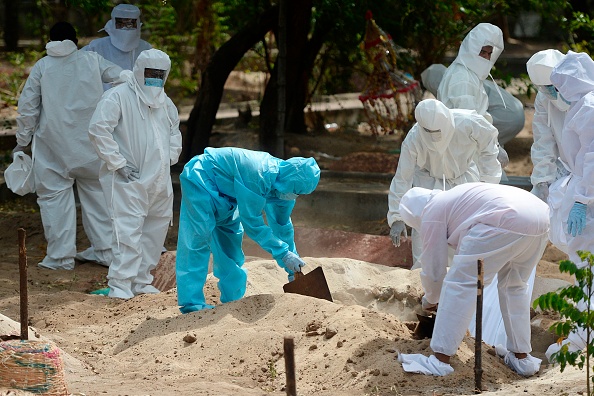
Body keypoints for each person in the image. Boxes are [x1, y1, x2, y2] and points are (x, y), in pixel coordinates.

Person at [396, 183, 549, 377]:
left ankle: (439, 360)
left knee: (460, 283)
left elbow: (434, 270)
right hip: (540, 218)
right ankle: (522, 358)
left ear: (414, 216)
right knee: (514, 287)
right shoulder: (454, 200)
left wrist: (431, 300)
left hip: (507, 218)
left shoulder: (431, 213)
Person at [13, 22, 122, 270]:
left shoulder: (42, 67)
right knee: (97, 199)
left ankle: (60, 259)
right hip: (91, 148)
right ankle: (106, 253)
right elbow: (123, 77)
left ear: (50, 40)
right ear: (75, 41)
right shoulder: (92, 61)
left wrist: (22, 143)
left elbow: (28, 109)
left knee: (53, 200)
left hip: (52, 150)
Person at [175, 147, 321, 314]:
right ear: (290, 181)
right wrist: (283, 253)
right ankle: (192, 303)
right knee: (197, 239)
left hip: (229, 196)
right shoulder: (259, 173)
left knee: (231, 245)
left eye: (300, 193)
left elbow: (282, 226)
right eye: (296, 191)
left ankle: (233, 301)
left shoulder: (286, 190)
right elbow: (253, 224)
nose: (296, 196)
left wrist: (292, 268)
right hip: (201, 179)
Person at [88, 49, 182, 299]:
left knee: (156, 229)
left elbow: (174, 130)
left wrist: (171, 156)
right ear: (140, 71)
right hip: (127, 179)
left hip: (160, 181)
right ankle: (120, 285)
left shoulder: (165, 101)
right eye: (150, 74)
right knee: (127, 232)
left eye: (160, 75)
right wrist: (117, 163)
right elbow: (98, 130)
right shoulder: (117, 96)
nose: (154, 80)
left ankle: (142, 281)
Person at [387, 98, 501, 269]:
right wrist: (396, 217)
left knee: (466, 232)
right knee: (425, 236)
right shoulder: (413, 138)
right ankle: (425, 287)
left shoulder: (468, 122)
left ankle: (461, 280)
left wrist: (487, 189)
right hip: (428, 184)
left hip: (465, 180)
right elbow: (403, 176)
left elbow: (489, 149)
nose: (435, 137)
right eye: (429, 132)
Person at [543, 50, 594, 361]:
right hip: (585, 193)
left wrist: (581, 201)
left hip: (588, 201)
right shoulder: (584, 105)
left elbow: (592, 160)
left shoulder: (589, 108)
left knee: (585, 270)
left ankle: (578, 343)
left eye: (557, 86)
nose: (555, 94)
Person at [436, 23, 510, 169]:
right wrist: (491, 148)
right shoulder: (462, 77)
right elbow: (469, 121)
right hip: (463, 152)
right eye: (482, 52)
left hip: (468, 149)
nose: (486, 57)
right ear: (472, 47)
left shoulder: (468, 74)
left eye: (489, 54)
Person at [421, 63, 525, 146]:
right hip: (515, 111)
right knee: (487, 147)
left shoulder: (455, 86)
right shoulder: (461, 76)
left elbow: (464, 121)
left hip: (506, 114)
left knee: (479, 146)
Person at [526, 49, 568, 203]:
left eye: (554, 86)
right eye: (545, 87)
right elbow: (543, 139)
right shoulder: (544, 97)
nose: (552, 92)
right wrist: (542, 180)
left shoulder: (587, 93)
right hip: (566, 169)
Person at [84, 4, 151, 90]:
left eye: (131, 24)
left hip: (137, 101)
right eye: (122, 24)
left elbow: (151, 83)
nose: (126, 29)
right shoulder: (96, 47)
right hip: (103, 101)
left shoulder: (146, 48)